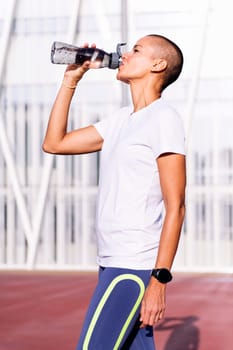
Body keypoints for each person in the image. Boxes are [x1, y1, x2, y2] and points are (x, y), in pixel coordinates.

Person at [43, 34, 186, 349]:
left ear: (158, 64)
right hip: (110, 260)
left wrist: (159, 282)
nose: (123, 55)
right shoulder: (121, 121)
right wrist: (70, 80)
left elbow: (176, 206)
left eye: (135, 50)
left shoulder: (164, 118)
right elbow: (54, 143)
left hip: (131, 265)